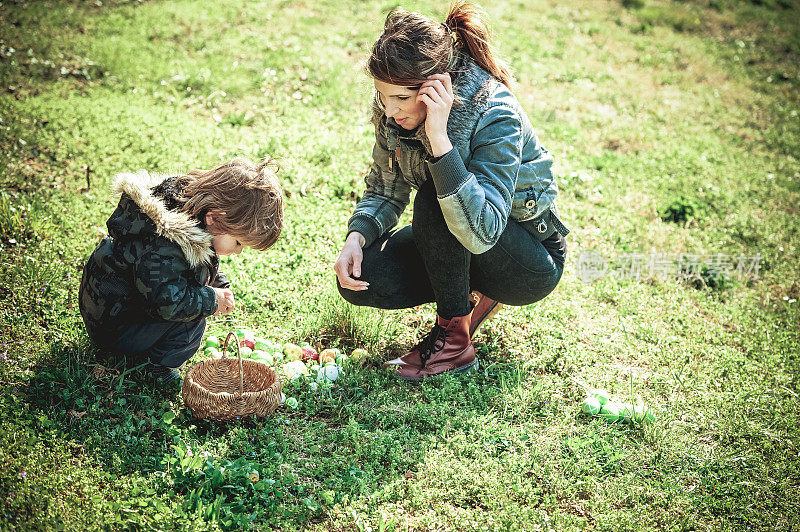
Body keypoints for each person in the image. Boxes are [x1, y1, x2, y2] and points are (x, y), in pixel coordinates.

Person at [334, 2, 569, 381]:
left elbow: (484, 232)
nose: (389, 111)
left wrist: (440, 142)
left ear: (434, 87)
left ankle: (455, 342)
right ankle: (466, 290)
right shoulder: (393, 112)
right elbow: (385, 186)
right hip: (458, 236)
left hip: (526, 258)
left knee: (435, 194)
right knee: (367, 278)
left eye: (400, 99)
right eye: (382, 97)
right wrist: (357, 236)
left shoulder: (495, 112)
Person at [79, 158, 283, 385]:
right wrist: (210, 300)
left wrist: (218, 283)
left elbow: (200, 258)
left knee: (195, 299)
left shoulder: (190, 216)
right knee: (191, 321)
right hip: (114, 327)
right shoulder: (162, 243)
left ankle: (145, 352)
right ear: (214, 218)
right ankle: (154, 367)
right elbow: (167, 303)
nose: (239, 252)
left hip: (113, 308)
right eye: (238, 243)